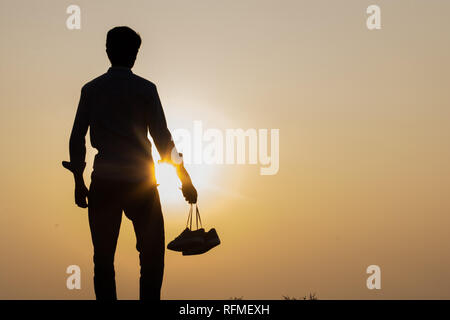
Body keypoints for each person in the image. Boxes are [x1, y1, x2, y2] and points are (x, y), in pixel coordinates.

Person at [62, 26, 197, 300]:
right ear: (134, 54)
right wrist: (185, 179)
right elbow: (164, 141)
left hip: (104, 182)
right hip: (141, 183)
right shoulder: (146, 89)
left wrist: (78, 180)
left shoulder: (91, 89)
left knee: (103, 260)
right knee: (151, 258)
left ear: (108, 51)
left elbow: (77, 137)